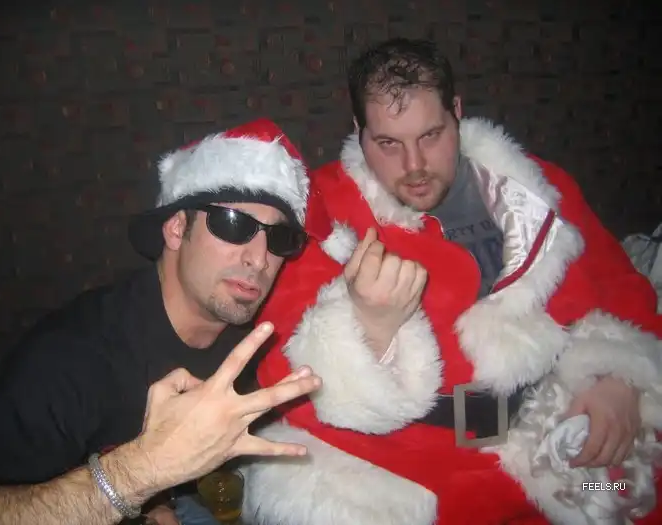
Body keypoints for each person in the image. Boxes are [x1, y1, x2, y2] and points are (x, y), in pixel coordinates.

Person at [240, 38, 662, 525]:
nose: (414, 165)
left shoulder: (536, 187)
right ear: (358, 131)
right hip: (409, 468)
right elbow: (283, 371)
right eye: (388, 143)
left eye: (432, 135)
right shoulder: (319, 213)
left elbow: (619, 282)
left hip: (557, 446)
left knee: (629, 490)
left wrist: (620, 377)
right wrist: (372, 327)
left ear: (456, 111)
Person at [0, 118, 323, 525]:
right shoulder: (73, 355)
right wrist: (142, 471)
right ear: (176, 229)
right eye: (234, 224)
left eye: (279, 239)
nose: (259, 259)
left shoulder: (265, 336)